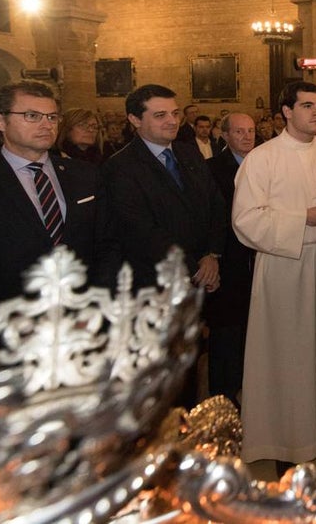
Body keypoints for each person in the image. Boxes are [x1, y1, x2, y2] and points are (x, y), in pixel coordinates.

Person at [232, 81, 316, 474]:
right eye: (307, 106)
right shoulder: (262, 158)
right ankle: (286, 437)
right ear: (285, 111)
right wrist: (304, 217)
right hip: (284, 264)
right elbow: (246, 220)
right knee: (288, 350)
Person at [100, 84, 226, 407]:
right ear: (134, 119)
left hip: (203, 273)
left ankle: (190, 426)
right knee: (163, 374)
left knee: (195, 360)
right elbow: (141, 231)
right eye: (160, 115)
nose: (171, 121)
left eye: (174, 113)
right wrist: (195, 266)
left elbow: (215, 204)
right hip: (157, 283)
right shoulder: (121, 167)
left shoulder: (187, 151)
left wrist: (212, 254)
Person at [0, 81, 113, 311]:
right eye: (32, 116)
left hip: (83, 313)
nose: (46, 125)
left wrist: (95, 303)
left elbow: (108, 244)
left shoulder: (85, 175)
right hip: (8, 318)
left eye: (52, 117)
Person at [205, 112, 258, 406]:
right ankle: (222, 397)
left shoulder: (265, 163)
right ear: (224, 135)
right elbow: (210, 216)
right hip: (227, 257)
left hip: (259, 257)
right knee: (226, 331)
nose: (247, 136)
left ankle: (248, 385)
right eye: (239, 132)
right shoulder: (212, 169)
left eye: (250, 131)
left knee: (254, 328)